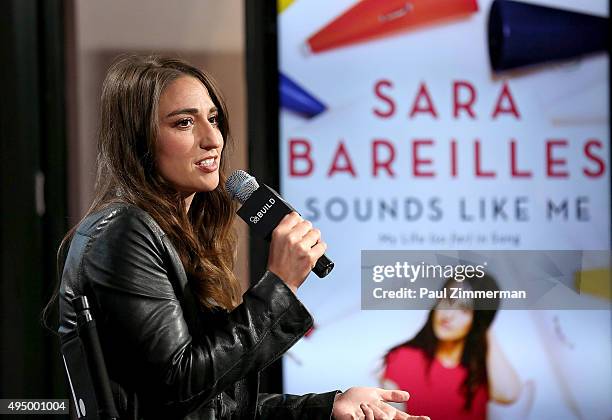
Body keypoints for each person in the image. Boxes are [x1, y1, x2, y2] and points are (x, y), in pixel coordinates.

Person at [45, 55, 429, 420]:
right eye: (183, 123)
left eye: (213, 119)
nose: (212, 139)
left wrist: (330, 406)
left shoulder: (181, 236)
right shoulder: (123, 233)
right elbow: (179, 386)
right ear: (138, 140)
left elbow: (216, 406)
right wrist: (278, 285)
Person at [381, 275, 520, 420]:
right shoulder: (402, 358)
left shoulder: (482, 370)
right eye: (447, 300)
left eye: (464, 309)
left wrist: (486, 325)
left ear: (478, 319)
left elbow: (508, 395)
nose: (448, 315)